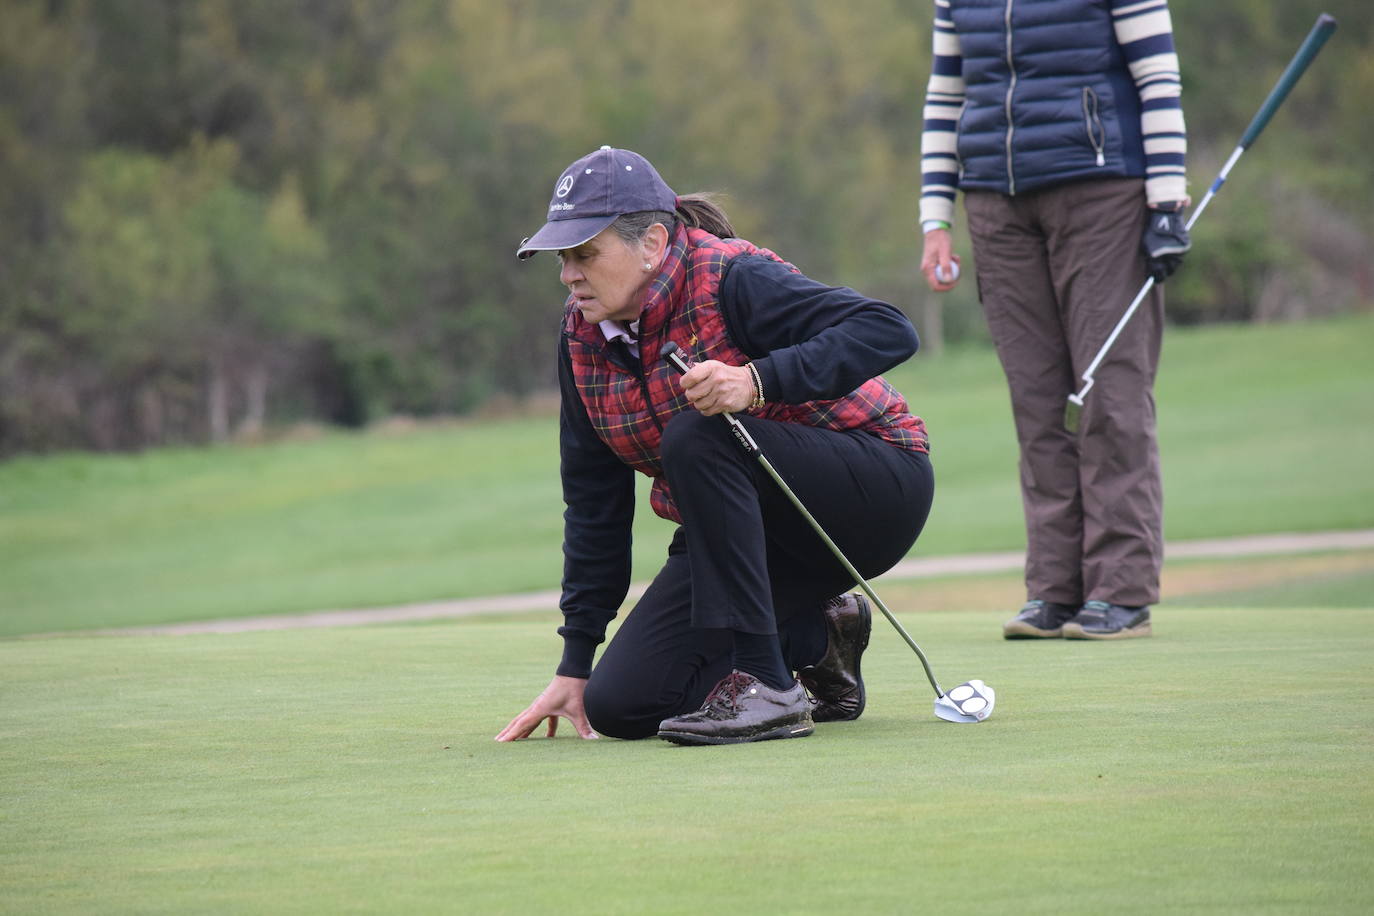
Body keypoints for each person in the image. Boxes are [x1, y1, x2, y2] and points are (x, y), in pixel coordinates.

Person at [497, 146, 934, 745]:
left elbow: (887, 329)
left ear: (651, 243)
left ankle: (770, 689)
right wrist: (575, 664)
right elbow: (595, 506)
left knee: (700, 433)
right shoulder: (581, 341)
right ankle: (818, 634)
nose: (570, 274)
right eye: (563, 258)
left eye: (586, 254)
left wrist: (756, 382)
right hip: (746, 531)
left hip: (874, 488)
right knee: (621, 705)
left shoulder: (732, 276)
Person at [917, 0, 1190, 641]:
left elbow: (1158, 77)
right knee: (1036, 402)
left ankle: (1121, 592)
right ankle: (1054, 588)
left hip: (1103, 192)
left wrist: (1167, 198)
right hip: (995, 202)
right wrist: (936, 216)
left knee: (1110, 395)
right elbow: (945, 94)